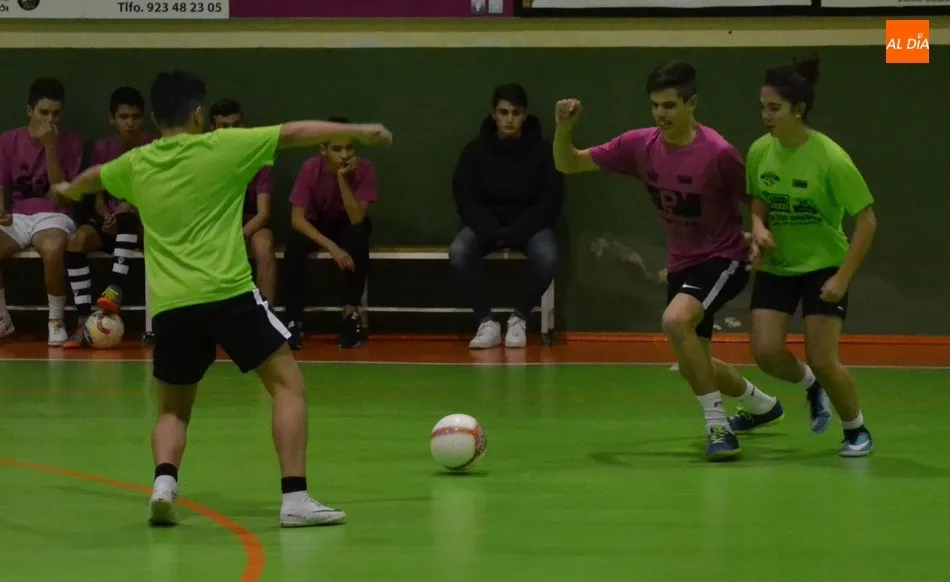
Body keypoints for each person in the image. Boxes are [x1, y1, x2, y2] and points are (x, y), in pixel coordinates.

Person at [53, 70, 393, 527]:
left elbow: (95, 177)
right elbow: (295, 132)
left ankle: (164, 484)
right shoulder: (225, 147)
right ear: (198, 114)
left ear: (154, 118)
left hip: (172, 306)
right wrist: (361, 132)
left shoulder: (136, 163)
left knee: (173, 408)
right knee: (288, 386)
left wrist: (70, 188)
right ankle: (295, 499)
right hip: (229, 294)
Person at [552, 61, 803, 462]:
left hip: (724, 258)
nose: (661, 114)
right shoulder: (640, 145)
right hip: (683, 263)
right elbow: (568, 163)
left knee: (674, 320)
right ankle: (761, 405)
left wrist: (759, 235)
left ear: (692, 104)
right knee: (692, 363)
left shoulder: (718, 153)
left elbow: (759, 199)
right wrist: (564, 129)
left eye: (669, 105)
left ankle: (718, 427)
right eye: (655, 105)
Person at [746, 55, 875, 457]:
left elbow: (867, 221)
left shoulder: (831, 158)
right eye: (763, 107)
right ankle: (811, 386)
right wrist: (758, 227)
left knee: (822, 357)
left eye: (774, 108)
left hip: (824, 266)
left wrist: (842, 278)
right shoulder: (760, 151)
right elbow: (758, 199)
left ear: (798, 110)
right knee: (766, 353)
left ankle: (856, 429)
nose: (766, 116)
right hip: (778, 264)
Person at [450, 83, 563, 349]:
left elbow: (552, 199)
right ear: (494, 114)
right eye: (503, 112)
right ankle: (486, 323)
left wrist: (518, 231)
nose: (509, 119)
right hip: (485, 226)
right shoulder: (474, 152)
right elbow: (465, 197)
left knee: (549, 255)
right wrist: (490, 230)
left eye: (515, 112)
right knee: (459, 251)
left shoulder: (544, 152)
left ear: (524, 115)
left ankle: (519, 319)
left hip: (530, 227)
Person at [63, 86, 155, 348]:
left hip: (144, 226)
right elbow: (98, 197)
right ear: (112, 119)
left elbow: (161, 195)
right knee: (76, 240)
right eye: (123, 117)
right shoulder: (103, 149)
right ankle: (83, 322)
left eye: (135, 117)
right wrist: (106, 216)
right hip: (112, 223)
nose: (130, 123)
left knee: (127, 216)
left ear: (143, 119)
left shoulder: (154, 147)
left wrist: (132, 210)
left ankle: (115, 289)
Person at [0, 77, 83, 346]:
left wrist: (50, 147)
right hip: (18, 216)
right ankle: (2, 320)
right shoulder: (8, 141)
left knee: (52, 249)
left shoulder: (72, 143)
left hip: (55, 214)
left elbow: (59, 194)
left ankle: (56, 321)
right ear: (29, 111)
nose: (50, 119)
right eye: (43, 112)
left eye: (56, 113)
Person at [283, 117, 377, 350]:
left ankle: (351, 315)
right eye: (337, 149)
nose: (344, 155)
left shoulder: (365, 169)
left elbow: (356, 218)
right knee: (294, 243)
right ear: (323, 150)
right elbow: (297, 219)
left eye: (349, 148)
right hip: (318, 224)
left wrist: (342, 178)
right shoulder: (310, 168)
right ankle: (294, 321)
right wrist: (332, 248)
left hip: (347, 222)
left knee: (359, 234)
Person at [209, 98, 277, 305]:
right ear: (213, 130)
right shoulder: (204, 160)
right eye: (224, 127)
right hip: (216, 226)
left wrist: (240, 235)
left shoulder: (259, 158)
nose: (232, 132)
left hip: (250, 225)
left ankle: (266, 314)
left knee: (264, 245)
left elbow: (263, 213)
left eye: (236, 125)